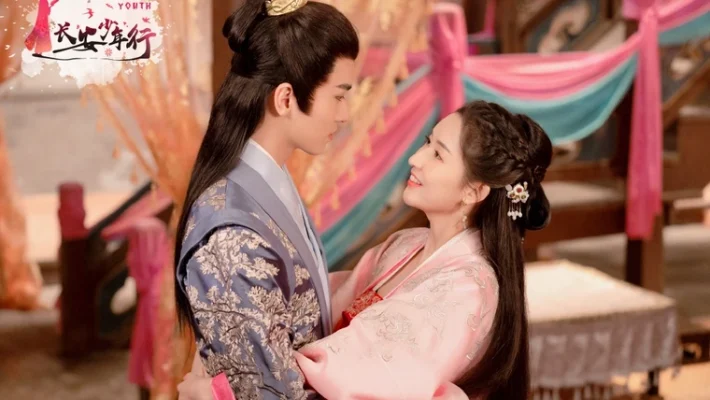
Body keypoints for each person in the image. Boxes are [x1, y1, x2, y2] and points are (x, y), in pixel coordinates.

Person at [178, 100, 553, 400]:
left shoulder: (469, 288)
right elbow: (318, 311)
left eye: (438, 154)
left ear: (474, 191)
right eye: (427, 142)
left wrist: (230, 386)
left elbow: (362, 374)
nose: (416, 158)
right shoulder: (406, 245)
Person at [173, 0, 359, 398]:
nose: (345, 114)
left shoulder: (269, 182)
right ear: (286, 98)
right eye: (339, 96)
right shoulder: (231, 234)